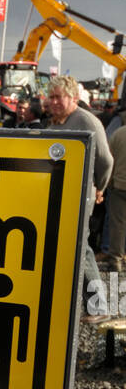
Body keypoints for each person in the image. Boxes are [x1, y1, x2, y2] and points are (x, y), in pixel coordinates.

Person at [44, 76, 113, 307]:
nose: (53, 102)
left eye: (58, 97)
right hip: (58, 195)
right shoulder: (55, 123)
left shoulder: (87, 122)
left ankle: (98, 306)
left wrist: (99, 188)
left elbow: (105, 160)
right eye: (51, 97)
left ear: (73, 97)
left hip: (81, 196)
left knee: (81, 249)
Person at [106, 122, 126, 274]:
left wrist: (108, 182)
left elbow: (109, 160)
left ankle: (116, 260)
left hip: (119, 186)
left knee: (117, 225)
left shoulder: (118, 133)